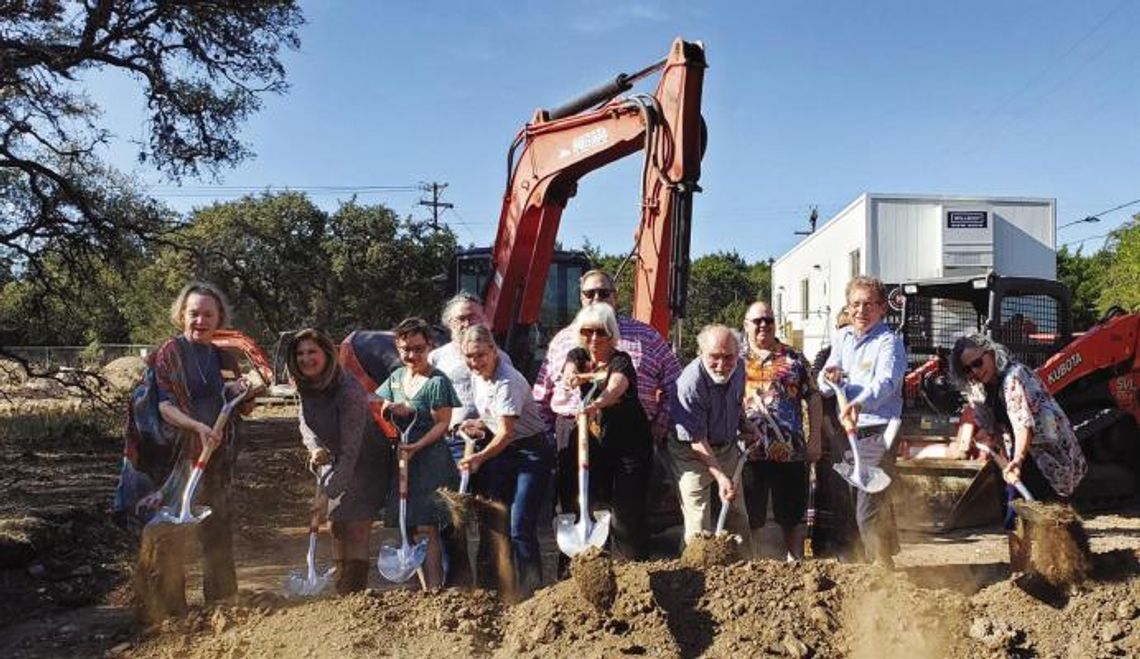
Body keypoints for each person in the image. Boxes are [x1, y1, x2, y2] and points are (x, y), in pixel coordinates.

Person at [532, 269, 680, 551]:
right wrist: (550, 438)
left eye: (604, 293)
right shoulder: (564, 340)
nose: (597, 298)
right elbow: (542, 392)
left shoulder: (644, 336)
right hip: (574, 432)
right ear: (581, 298)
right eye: (590, 293)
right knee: (578, 506)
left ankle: (630, 576)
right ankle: (576, 578)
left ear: (616, 296)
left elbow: (674, 381)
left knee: (628, 513)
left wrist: (661, 422)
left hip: (628, 434)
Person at [151, 281, 257, 602]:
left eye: (208, 314)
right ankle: (169, 609)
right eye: (194, 313)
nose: (201, 321)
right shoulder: (170, 353)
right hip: (178, 457)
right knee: (173, 531)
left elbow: (244, 408)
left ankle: (222, 600)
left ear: (218, 317)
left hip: (218, 455)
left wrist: (245, 393)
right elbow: (164, 406)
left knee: (218, 526)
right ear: (182, 315)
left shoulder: (225, 357)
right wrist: (197, 426)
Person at [948, 332, 1087, 570]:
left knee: (1055, 511)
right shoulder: (979, 389)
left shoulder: (1015, 376)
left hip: (1048, 452)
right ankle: (1020, 573)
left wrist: (1018, 460)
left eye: (977, 363)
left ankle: (1074, 568)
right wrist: (990, 443)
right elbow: (991, 427)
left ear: (990, 354)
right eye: (967, 369)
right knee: (1015, 511)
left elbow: (1023, 423)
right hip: (1020, 452)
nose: (974, 371)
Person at [287, 328, 388, 595]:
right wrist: (314, 447)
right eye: (300, 353)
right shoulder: (305, 385)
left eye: (312, 352)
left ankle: (355, 597)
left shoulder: (349, 390)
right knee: (337, 526)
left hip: (368, 460)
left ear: (327, 354)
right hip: (334, 457)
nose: (306, 358)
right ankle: (343, 591)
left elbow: (353, 451)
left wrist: (328, 493)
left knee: (355, 526)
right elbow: (305, 421)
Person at [456, 325, 552, 598]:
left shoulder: (507, 381)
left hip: (530, 453)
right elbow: (493, 418)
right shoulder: (477, 376)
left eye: (480, 355)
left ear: (493, 351)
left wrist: (478, 458)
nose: (475, 362)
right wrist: (477, 423)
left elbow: (507, 433)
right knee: (497, 520)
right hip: (503, 452)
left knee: (520, 525)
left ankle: (533, 592)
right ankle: (501, 590)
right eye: (469, 357)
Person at [817, 276, 907, 568]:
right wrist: (829, 377)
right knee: (845, 499)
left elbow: (886, 382)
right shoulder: (843, 338)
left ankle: (880, 568)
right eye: (855, 304)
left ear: (882, 308)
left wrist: (859, 403)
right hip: (848, 429)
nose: (861, 310)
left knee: (868, 502)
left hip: (879, 429)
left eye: (869, 304)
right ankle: (854, 563)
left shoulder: (889, 343)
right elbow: (824, 381)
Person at [428, 292, 513, 587]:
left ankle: (492, 586)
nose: (466, 322)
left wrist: (485, 425)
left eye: (473, 316)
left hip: (490, 444)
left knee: (491, 515)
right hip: (452, 444)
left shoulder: (499, 354)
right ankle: (459, 583)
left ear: (485, 319)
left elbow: (506, 399)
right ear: (449, 324)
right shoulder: (437, 358)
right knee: (452, 519)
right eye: (460, 318)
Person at [559, 303, 654, 562]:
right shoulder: (578, 356)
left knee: (626, 513)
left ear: (611, 333)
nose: (593, 338)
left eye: (600, 332)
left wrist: (597, 403)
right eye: (588, 332)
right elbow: (569, 370)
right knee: (587, 504)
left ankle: (632, 569)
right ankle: (583, 569)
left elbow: (616, 387)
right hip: (594, 444)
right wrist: (571, 377)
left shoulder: (620, 361)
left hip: (629, 447)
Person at [374, 317, 460, 591]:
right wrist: (393, 410)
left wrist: (416, 446)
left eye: (418, 349)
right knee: (408, 526)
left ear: (429, 347)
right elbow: (384, 406)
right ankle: (423, 589)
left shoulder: (437, 381)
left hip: (429, 460)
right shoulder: (397, 377)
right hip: (402, 459)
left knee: (427, 527)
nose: (411, 355)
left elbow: (443, 423)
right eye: (405, 349)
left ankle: (434, 588)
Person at [740, 301, 822, 561]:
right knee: (752, 514)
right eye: (757, 321)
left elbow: (814, 397)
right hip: (749, 451)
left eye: (769, 320)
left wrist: (815, 437)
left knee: (793, 513)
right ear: (746, 325)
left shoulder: (794, 358)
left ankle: (795, 560)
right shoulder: (735, 359)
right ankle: (757, 563)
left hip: (790, 451)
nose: (764, 325)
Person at [668, 324, 752, 548]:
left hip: (725, 445)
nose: (722, 365)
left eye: (728, 357)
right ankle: (698, 571)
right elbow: (697, 441)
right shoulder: (689, 384)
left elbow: (736, 403)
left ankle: (749, 568)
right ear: (701, 353)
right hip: (690, 452)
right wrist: (721, 477)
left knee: (737, 511)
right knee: (699, 519)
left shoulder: (740, 368)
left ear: (737, 354)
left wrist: (746, 425)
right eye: (714, 357)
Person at [810, 309, 861, 559]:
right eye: (843, 328)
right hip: (833, 433)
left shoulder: (864, 357)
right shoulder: (825, 357)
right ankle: (833, 547)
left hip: (859, 434)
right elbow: (817, 397)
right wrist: (828, 433)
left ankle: (864, 546)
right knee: (833, 492)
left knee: (859, 493)